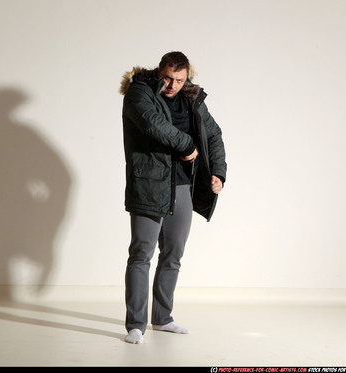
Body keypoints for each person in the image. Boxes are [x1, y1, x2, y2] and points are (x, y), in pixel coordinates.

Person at [120, 51, 227, 344]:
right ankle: (136, 324)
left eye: (179, 79)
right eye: (167, 77)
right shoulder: (139, 93)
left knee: (173, 255)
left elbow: (214, 134)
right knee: (141, 254)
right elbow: (154, 124)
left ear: (186, 76)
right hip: (149, 185)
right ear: (159, 72)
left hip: (182, 187)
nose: (172, 85)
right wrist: (187, 145)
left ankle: (163, 318)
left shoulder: (191, 98)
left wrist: (217, 171)